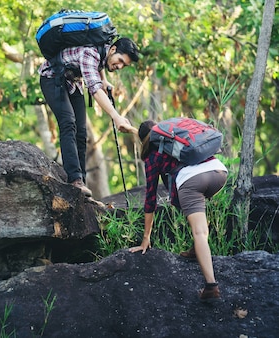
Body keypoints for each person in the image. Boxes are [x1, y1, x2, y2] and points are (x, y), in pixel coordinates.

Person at [129, 119, 228, 301]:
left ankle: (211, 286)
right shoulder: (176, 136)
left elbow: (151, 199)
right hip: (218, 173)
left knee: (199, 231)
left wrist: (146, 239)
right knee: (196, 209)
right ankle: (196, 248)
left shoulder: (152, 156)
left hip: (192, 181)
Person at [39, 37, 140, 197]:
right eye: (120, 60)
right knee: (68, 123)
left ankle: (81, 184)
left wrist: (104, 80)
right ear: (112, 50)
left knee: (82, 132)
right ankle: (75, 180)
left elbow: (100, 67)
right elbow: (94, 89)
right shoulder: (89, 53)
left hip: (73, 81)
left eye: (124, 65)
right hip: (52, 78)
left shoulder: (103, 50)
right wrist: (116, 116)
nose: (119, 66)